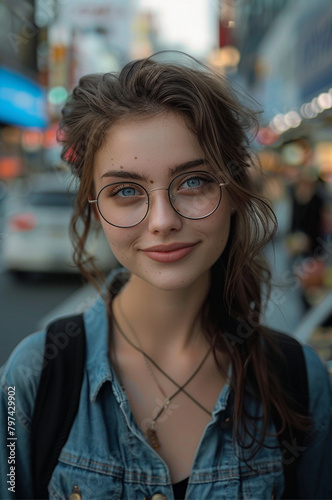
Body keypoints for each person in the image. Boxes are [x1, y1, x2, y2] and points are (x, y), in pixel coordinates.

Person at [1, 53, 332, 500]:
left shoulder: (298, 379)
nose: (162, 220)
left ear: (233, 191)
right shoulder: (36, 375)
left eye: (193, 182)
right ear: (95, 208)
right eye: (125, 191)